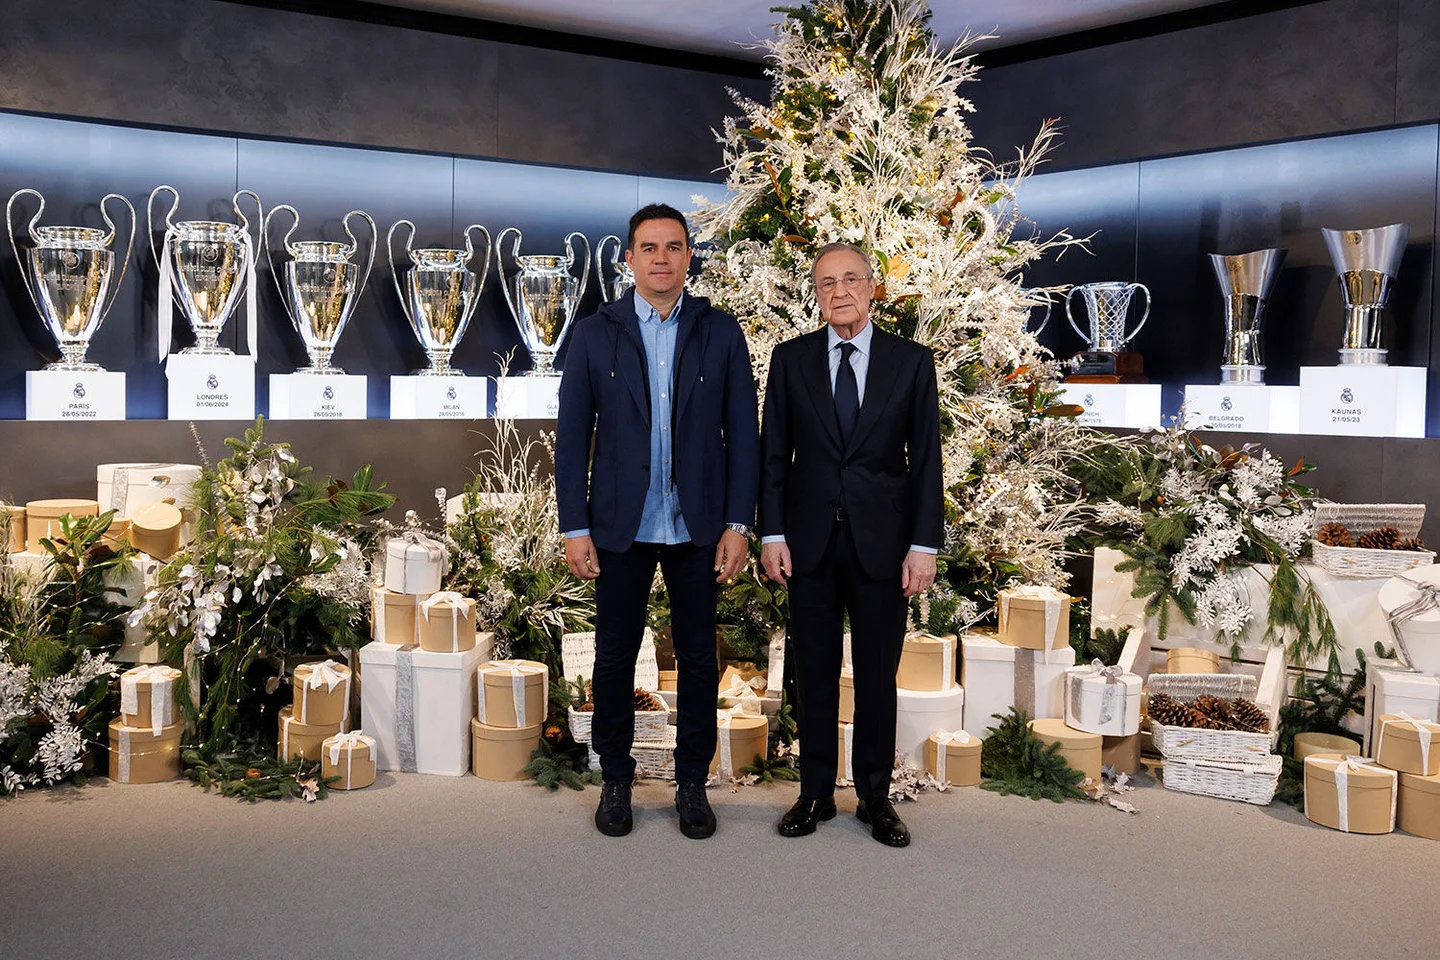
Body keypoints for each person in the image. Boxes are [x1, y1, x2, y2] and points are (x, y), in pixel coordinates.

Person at [555, 203, 760, 839]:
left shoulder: (720, 332)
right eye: (649, 248)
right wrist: (574, 526)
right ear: (630, 259)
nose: (662, 258)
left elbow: (744, 437)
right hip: (621, 525)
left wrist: (738, 524)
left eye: (674, 247)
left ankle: (692, 782)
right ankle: (616, 780)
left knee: (698, 658)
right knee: (615, 656)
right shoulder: (595, 334)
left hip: (699, 526)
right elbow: (572, 439)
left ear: (689, 257)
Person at [758, 241, 943, 848]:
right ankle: (814, 793)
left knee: (876, 677)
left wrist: (924, 544)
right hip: (807, 544)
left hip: (882, 546)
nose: (839, 292)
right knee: (812, 675)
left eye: (851, 280)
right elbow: (773, 454)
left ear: (871, 288)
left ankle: (874, 797)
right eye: (826, 283)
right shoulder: (790, 360)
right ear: (816, 294)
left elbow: (926, 461)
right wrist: (772, 533)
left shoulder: (911, 363)